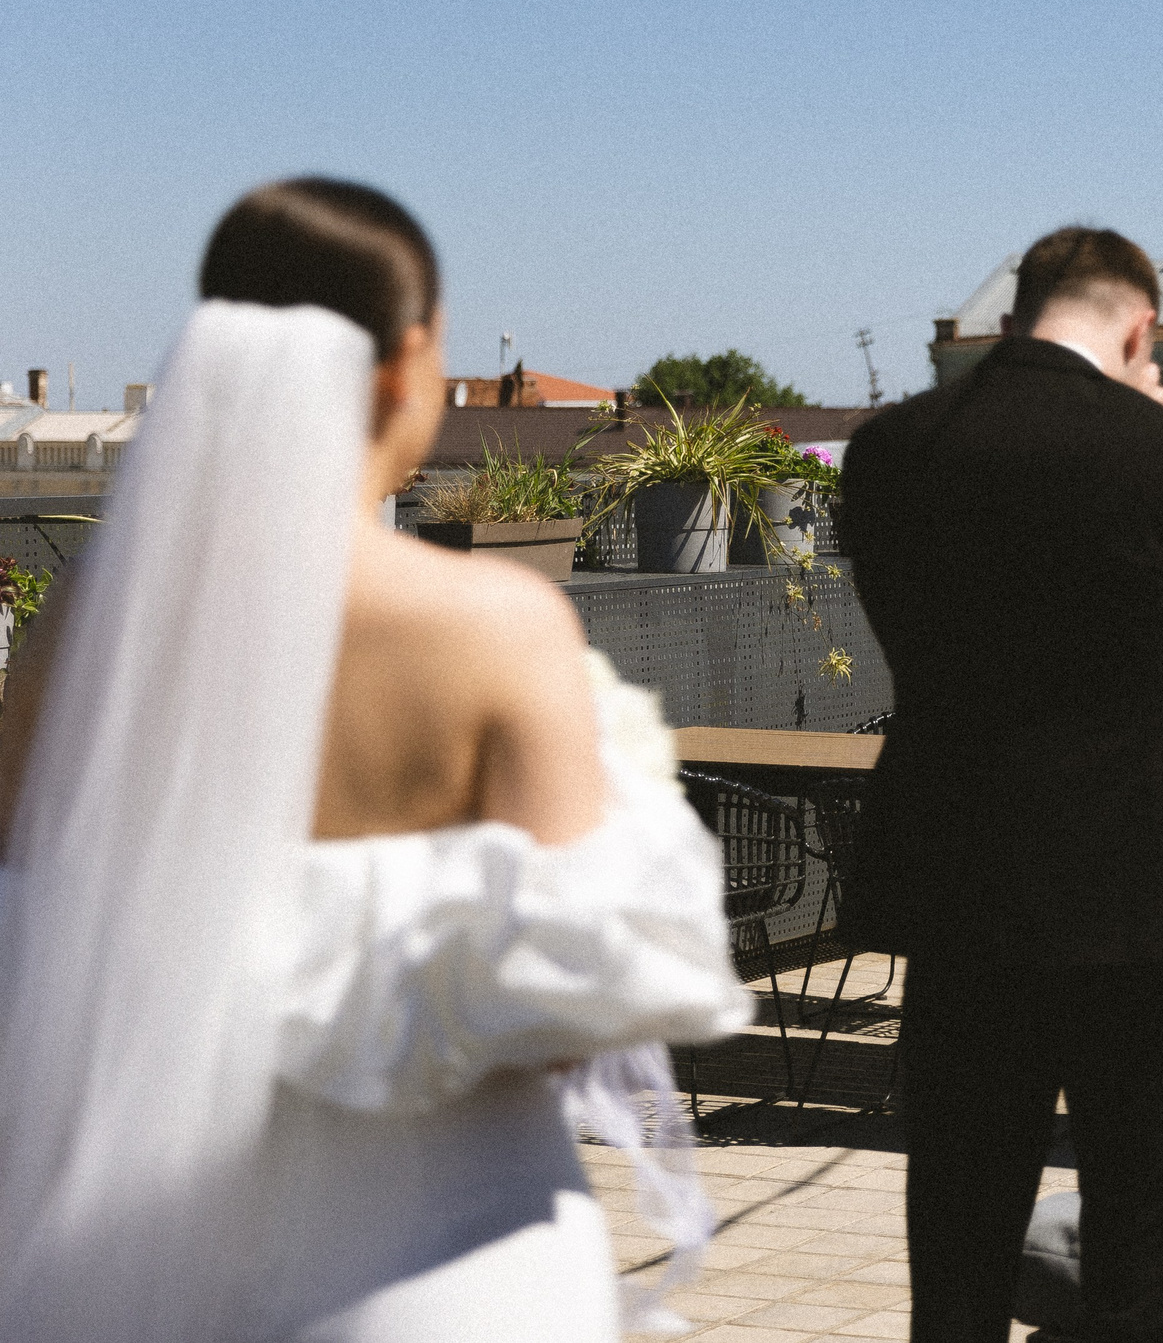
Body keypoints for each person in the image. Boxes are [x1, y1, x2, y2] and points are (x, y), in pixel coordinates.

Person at [0, 179, 751, 1341]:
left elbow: (31, 932)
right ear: (404, 367)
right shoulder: (495, 626)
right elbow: (573, 1006)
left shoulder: (73, 634)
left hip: (141, 1254)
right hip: (449, 1257)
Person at [838, 225, 1163, 1343]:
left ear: (1017, 312)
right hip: (1144, 894)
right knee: (1143, 1235)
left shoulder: (889, 450)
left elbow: (913, 639)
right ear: (1139, 327)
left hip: (962, 886)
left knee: (962, 1235)